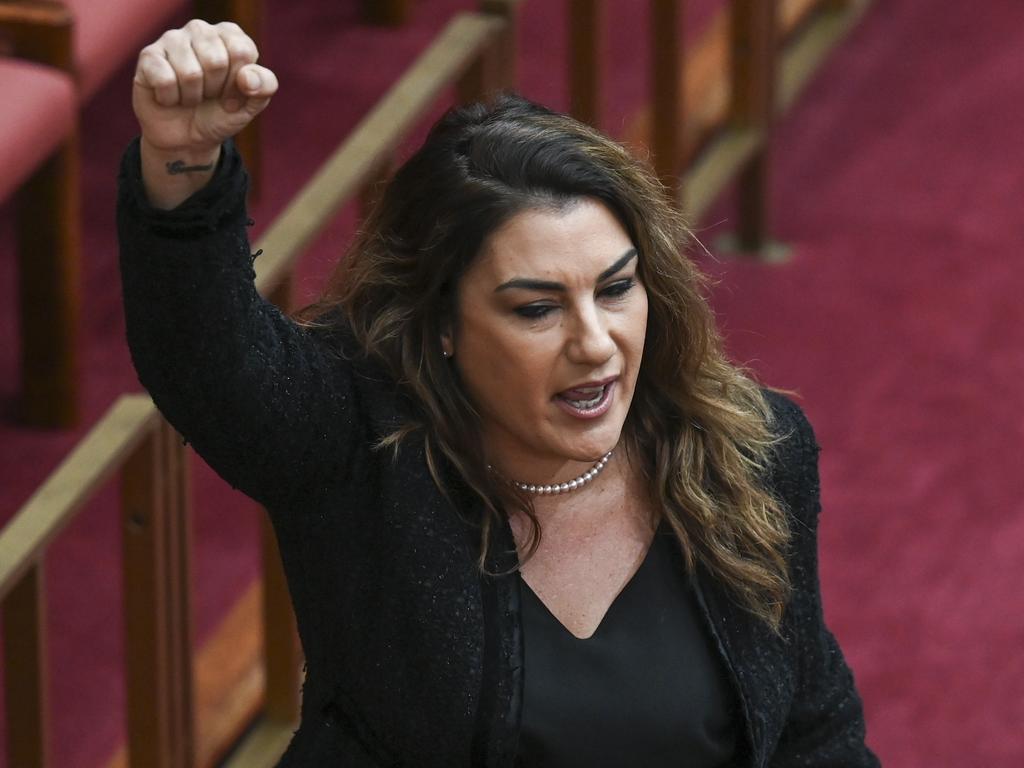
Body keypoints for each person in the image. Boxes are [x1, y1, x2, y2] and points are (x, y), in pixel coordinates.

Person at [119, 19, 880, 768]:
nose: (594, 342)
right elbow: (206, 359)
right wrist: (185, 161)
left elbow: (813, 732)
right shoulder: (359, 446)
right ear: (443, 322)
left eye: (616, 289)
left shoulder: (752, 453)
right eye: (536, 308)